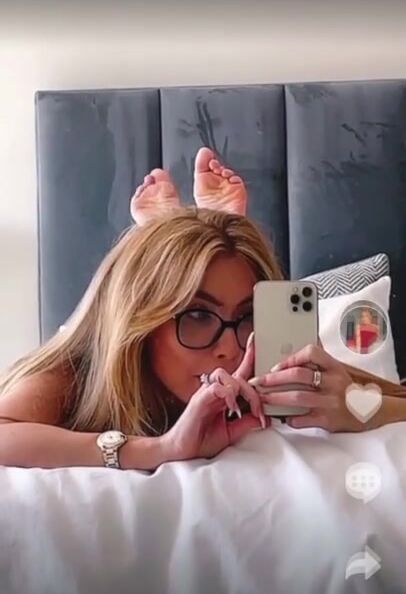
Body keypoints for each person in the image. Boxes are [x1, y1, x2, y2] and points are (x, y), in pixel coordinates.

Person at [0, 148, 405, 473]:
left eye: (248, 315)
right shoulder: (78, 369)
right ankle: (165, 235)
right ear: (141, 323)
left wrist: (360, 408)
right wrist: (160, 449)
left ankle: (188, 233)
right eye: (197, 315)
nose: (229, 349)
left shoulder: (272, 358)